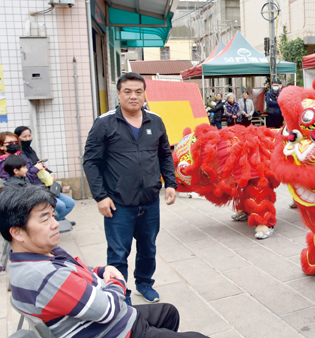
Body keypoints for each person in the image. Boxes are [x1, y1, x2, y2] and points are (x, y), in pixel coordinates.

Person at [1, 184, 209, 338]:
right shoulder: (45, 276)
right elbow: (109, 309)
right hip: (113, 330)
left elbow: (76, 268)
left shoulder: (35, 256)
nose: (56, 224)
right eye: (45, 219)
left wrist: (101, 271)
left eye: (54, 216)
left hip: (103, 321)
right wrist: (116, 280)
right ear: (17, 232)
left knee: (168, 312)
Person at [83, 72, 178, 305]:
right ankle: (119, 294)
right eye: (128, 91)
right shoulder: (104, 123)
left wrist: (171, 183)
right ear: (118, 93)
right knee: (118, 253)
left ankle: (144, 283)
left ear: (144, 94)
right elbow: (90, 161)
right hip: (118, 203)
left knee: (148, 248)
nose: (133, 96)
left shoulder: (154, 120)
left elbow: (165, 154)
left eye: (138, 91)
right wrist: (100, 196)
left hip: (149, 201)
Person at [0, 132, 76, 222]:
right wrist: (35, 169)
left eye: (16, 142)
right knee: (60, 206)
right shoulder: (4, 163)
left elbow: (31, 168)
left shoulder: (21, 155)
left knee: (70, 203)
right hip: (31, 192)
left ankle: (55, 222)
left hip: (41, 187)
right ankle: (48, 224)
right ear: (1, 146)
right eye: (10, 143)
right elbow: (19, 180)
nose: (15, 145)